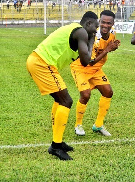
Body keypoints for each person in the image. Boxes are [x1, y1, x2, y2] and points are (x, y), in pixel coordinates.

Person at [26, 11, 99, 160]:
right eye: (95, 27)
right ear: (89, 23)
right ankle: (56, 146)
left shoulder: (76, 29)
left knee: (60, 100)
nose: (95, 31)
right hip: (42, 63)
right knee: (66, 101)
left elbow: (86, 59)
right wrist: (91, 40)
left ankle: (57, 141)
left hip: (39, 61)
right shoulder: (82, 33)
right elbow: (86, 61)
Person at [70, 10, 120, 137]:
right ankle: (78, 125)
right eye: (103, 22)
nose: (105, 25)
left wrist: (112, 47)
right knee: (86, 95)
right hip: (81, 67)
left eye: (109, 23)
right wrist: (108, 49)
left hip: (96, 69)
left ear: (113, 23)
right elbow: (89, 62)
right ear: (99, 21)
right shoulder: (92, 34)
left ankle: (98, 125)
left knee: (108, 92)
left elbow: (106, 48)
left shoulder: (112, 33)